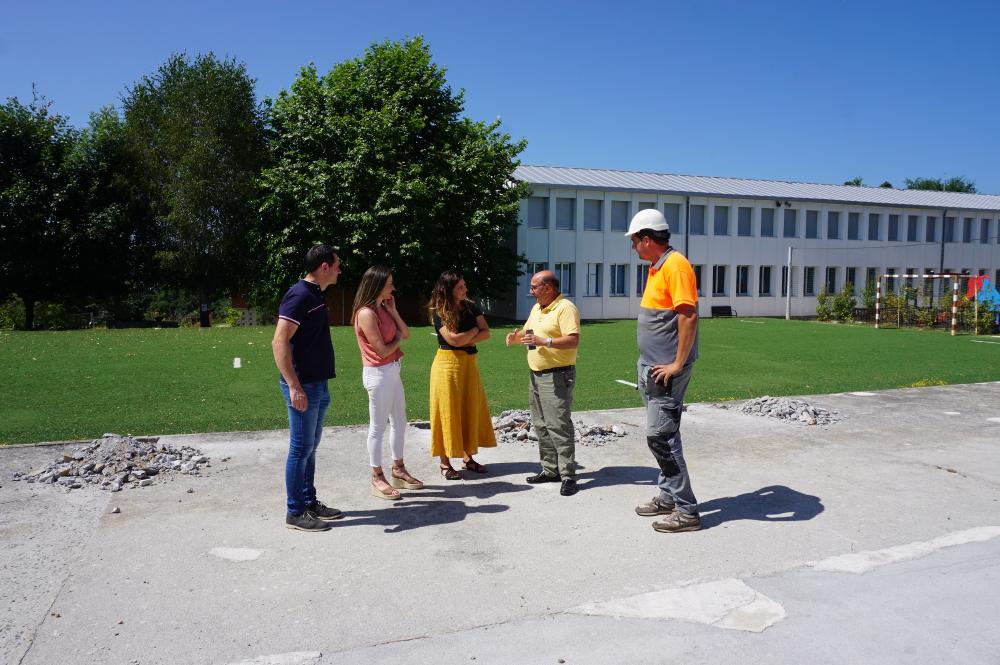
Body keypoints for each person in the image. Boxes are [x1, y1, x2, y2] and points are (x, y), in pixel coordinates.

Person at [626, 208, 702, 533]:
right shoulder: (658, 268)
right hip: (653, 367)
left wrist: (677, 363)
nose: (633, 248)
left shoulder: (676, 265)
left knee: (661, 437)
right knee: (665, 432)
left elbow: (688, 316)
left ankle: (687, 511)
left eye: (634, 241)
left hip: (666, 371)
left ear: (647, 239)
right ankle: (668, 497)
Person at [271, 244, 344, 532]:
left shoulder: (315, 294)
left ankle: (309, 502)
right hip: (303, 385)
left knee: (310, 448)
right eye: (337, 264)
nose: (340, 270)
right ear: (324, 267)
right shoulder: (299, 295)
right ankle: (295, 512)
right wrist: (293, 386)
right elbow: (279, 342)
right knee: (300, 449)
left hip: (317, 383)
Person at [505, 270, 580, 496]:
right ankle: (550, 470)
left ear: (548, 288)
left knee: (559, 425)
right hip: (536, 374)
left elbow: (573, 340)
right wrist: (516, 338)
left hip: (557, 375)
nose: (531, 291)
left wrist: (544, 341)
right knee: (540, 424)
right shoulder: (537, 308)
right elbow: (530, 334)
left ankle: (568, 475)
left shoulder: (565, 308)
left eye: (534, 287)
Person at [351, 266, 423, 500]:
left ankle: (398, 470)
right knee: (377, 427)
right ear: (378, 284)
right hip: (378, 374)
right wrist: (398, 341)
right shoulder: (366, 313)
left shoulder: (383, 307)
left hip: (392, 372)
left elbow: (406, 333)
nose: (393, 287)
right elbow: (381, 351)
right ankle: (377, 476)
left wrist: (393, 311)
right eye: (389, 283)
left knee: (400, 423)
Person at [428, 270, 496, 479]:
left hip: (469, 364)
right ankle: (445, 463)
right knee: (446, 411)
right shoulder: (439, 310)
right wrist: (473, 333)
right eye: (460, 287)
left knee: (469, 409)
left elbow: (487, 332)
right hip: (447, 365)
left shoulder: (471, 306)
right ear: (448, 289)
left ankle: (468, 458)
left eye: (465, 286)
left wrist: (467, 336)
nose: (465, 290)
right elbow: (453, 340)